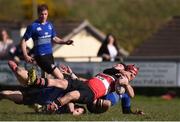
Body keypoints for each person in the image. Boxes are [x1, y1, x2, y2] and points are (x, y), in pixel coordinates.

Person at [8, 60, 141, 115]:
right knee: (60, 82)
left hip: (92, 95)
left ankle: (51, 107)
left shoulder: (121, 81)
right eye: (130, 72)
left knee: (71, 96)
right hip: (84, 85)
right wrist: (72, 75)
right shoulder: (107, 71)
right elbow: (87, 80)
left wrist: (126, 83)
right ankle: (35, 80)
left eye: (132, 74)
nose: (117, 65)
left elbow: (131, 94)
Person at [20, 4, 73, 79]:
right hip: (40, 56)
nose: (44, 16)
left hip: (49, 55)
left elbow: (54, 38)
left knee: (48, 77)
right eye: (42, 14)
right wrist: (25, 55)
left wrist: (65, 42)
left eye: (45, 14)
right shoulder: (33, 26)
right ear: (38, 14)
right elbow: (23, 41)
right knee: (60, 76)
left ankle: (43, 90)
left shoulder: (49, 25)